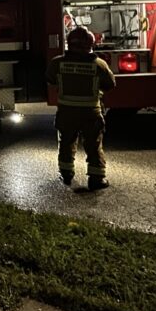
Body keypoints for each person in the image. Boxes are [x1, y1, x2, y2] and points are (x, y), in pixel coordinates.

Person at [46, 26, 116, 191]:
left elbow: (50, 79)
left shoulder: (57, 63)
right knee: (93, 145)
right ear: (90, 44)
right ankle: (96, 179)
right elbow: (110, 85)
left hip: (66, 112)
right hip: (91, 113)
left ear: (69, 43)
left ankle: (66, 174)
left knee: (66, 142)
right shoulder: (99, 64)